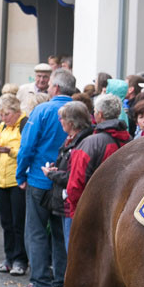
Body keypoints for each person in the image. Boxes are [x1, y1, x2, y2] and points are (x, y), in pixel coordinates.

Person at [14, 68, 76, 287]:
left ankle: (40, 283)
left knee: (37, 232)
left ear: (56, 88)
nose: (47, 88)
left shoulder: (42, 110)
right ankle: (59, 286)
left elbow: (27, 147)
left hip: (40, 180)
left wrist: (20, 176)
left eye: (49, 84)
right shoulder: (81, 111)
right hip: (65, 182)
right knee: (60, 233)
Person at [64, 94, 131, 223]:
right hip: (118, 208)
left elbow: (75, 184)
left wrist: (76, 212)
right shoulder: (129, 139)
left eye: (94, 111)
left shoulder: (90, 143)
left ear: (99, 114)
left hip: (90, 210)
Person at [41, 100, 94, 250]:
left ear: (71, 122)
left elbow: (74, 177)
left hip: (73, 202)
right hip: (65, 200)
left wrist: (52, 175)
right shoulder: (72, 139)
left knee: (70, 247)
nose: (60, 121)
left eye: (62, 118)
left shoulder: (81, 142)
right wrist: (57, 169)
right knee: (61, 244)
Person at [0, 93, 28, 275]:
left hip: (16, 180)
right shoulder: (3, 126)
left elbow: (25, 151)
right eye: (2, 115)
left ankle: (20, 260)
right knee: (5, 222)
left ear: (15, 111)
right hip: (1, 180)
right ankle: (8, 258)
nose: (3, 118)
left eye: (6, 114)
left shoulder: (23, 124)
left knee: (17, 222)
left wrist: (9, 150)